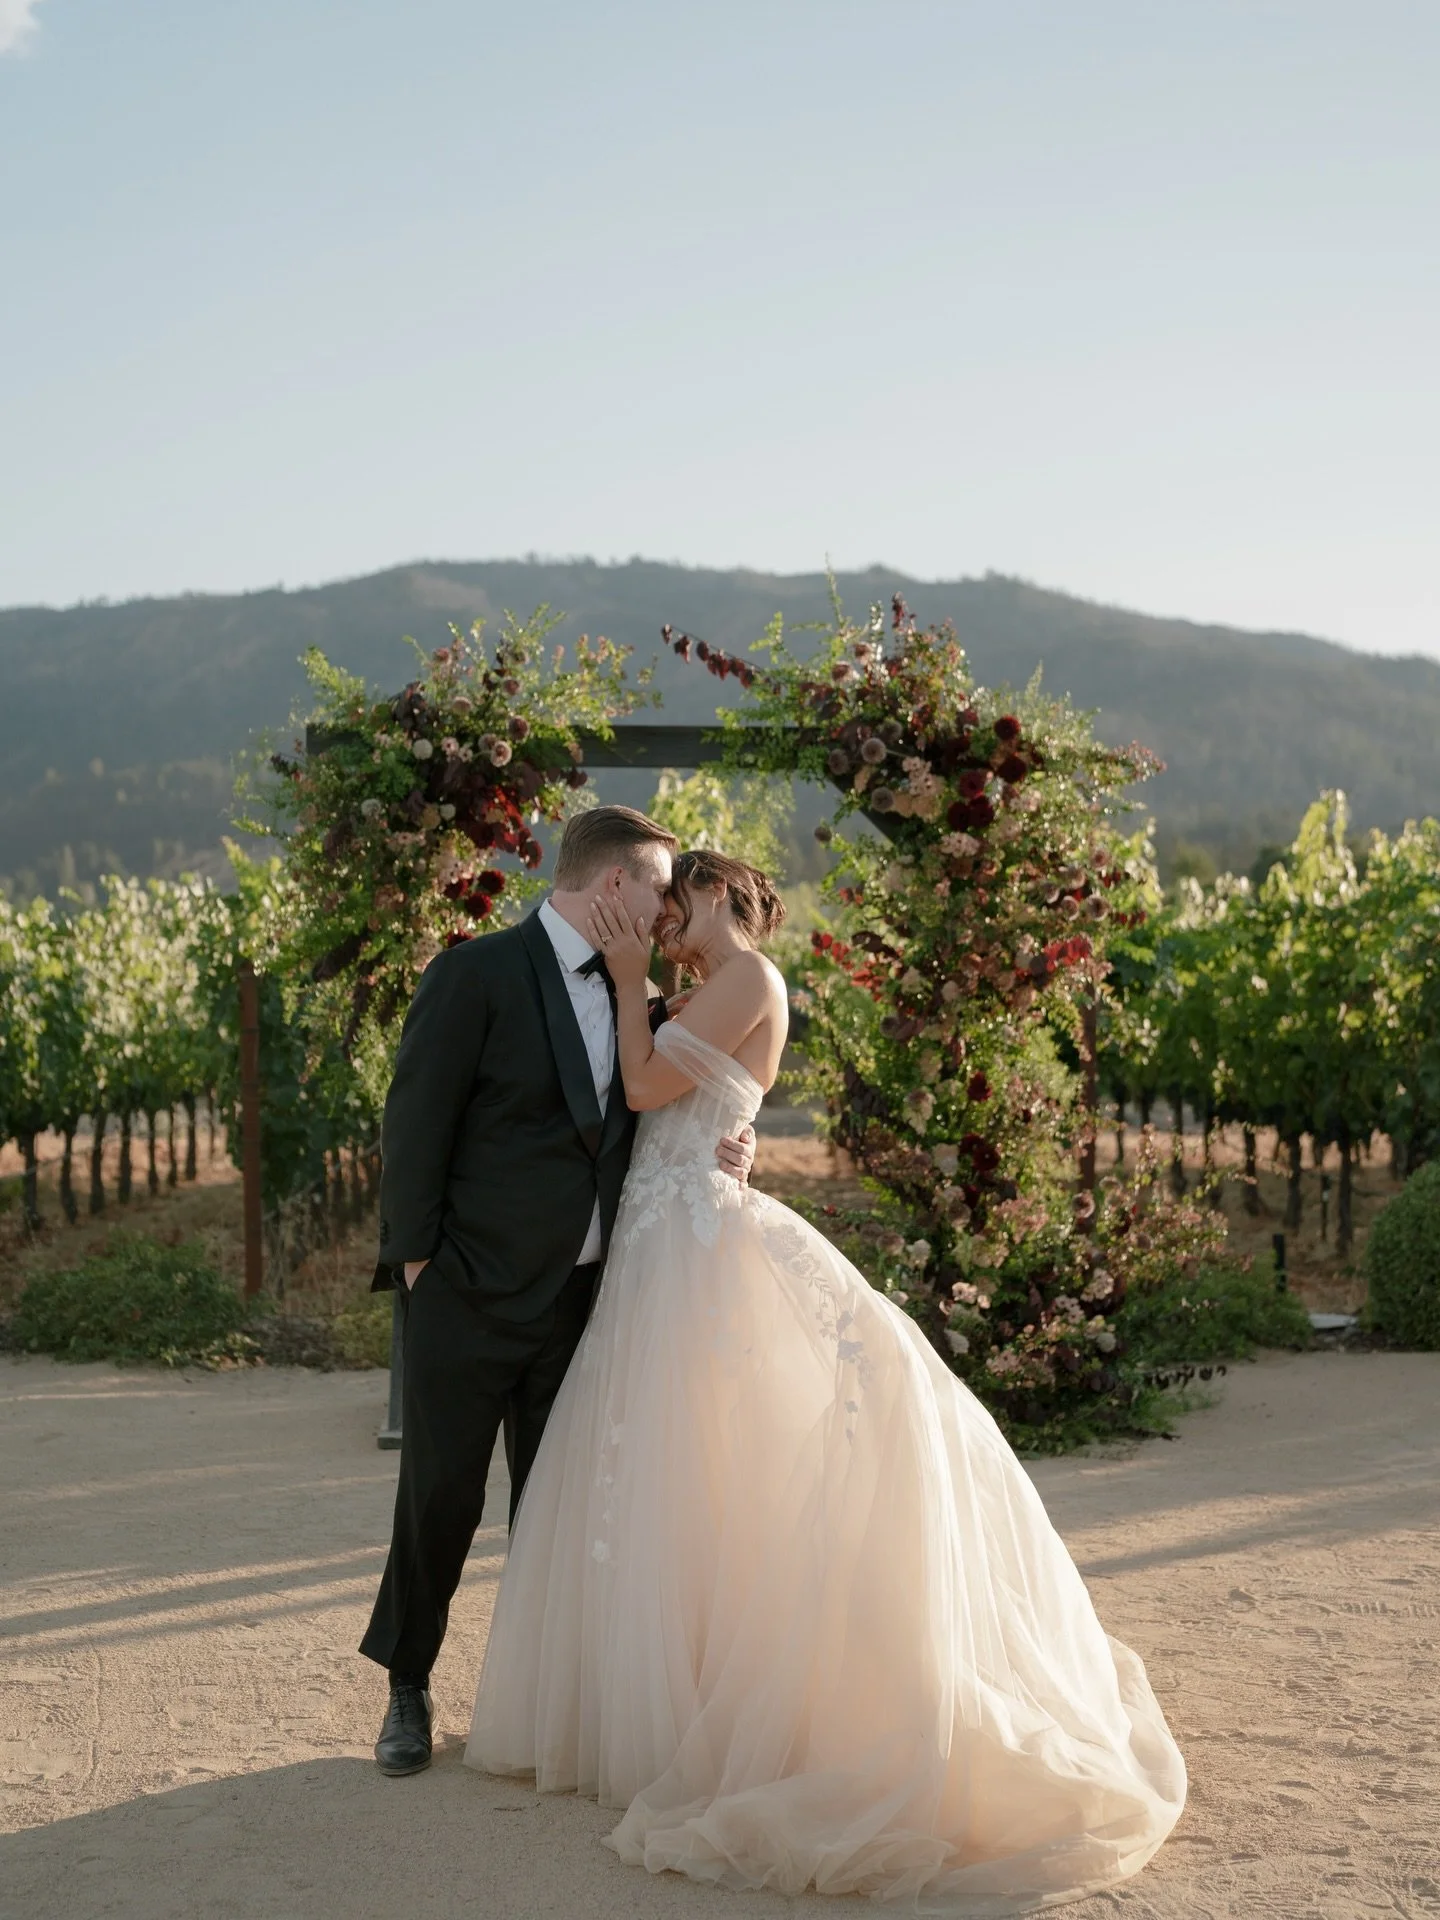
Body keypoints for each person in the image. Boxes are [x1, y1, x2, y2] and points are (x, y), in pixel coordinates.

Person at [465, 848, 1186, 1912]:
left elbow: (658, 1081)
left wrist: (629, 994)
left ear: (714, 893)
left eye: (674, 902)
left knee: (729, 1465)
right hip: (658, 1248)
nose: (660, 921)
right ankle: (669, 1714)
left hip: (699, 1252)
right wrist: (646, 1010)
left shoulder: (749, 976)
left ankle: (744, 1719)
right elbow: (653, 1103)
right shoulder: (695, 990)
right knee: (674, 1484)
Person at [359, 807, 756, 1777]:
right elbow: (414, 1126)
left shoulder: (646, 999)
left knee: (560, 1513)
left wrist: (736, 1144)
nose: (668, 909)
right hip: (464, 1295)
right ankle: (406, 1689)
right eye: (661, 886)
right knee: (439, 1500)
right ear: (612, 884)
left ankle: (541, 1706)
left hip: (583, 1306)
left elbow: (673, 1095)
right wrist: (419, 1271)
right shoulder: (474, 974)